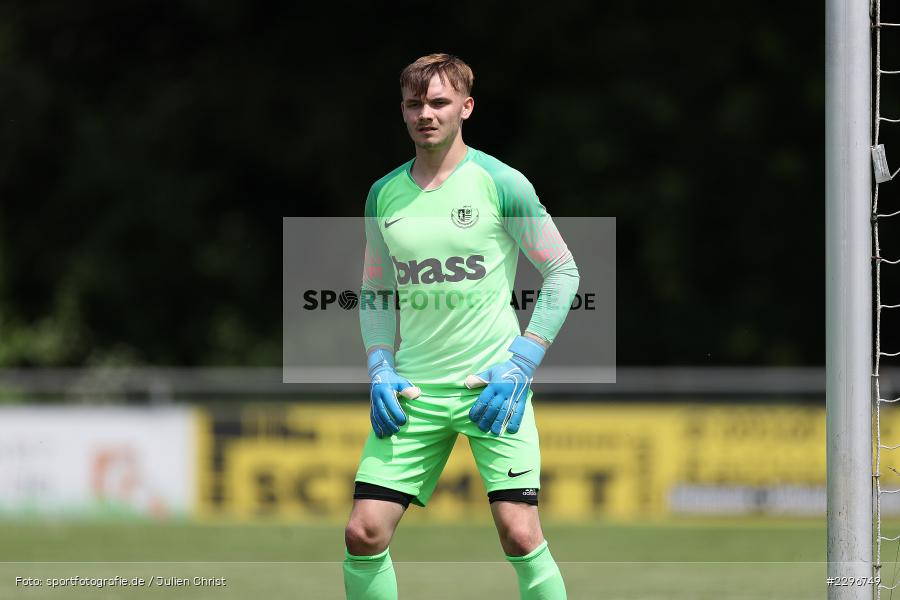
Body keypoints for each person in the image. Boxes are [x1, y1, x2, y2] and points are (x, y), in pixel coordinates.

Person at [343, 53, 579, 600]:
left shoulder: (501, 182)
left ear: (465, 108)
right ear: (402, 111)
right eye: (414, 103)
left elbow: (563, 270)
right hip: (413, 391)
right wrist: (379, 363)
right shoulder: (383, 195)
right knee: (363, 532)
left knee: (520, 535)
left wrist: (523, 361)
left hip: (493, 387)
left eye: (439, 102)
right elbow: (376, 288)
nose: (426, 113)